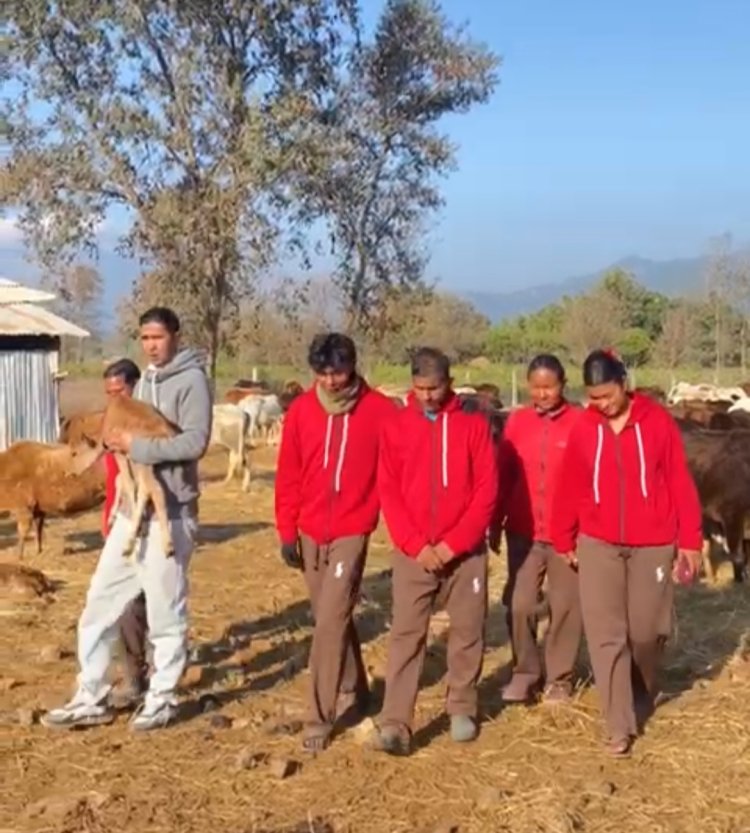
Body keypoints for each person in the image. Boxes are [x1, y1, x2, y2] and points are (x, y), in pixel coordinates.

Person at [42, 307, 213, 732]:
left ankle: (162, 698)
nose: (151, 345)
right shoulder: (145, 380)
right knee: (99, 602)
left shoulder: (192, 380)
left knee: (165, 611)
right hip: (131, 514)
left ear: (175, 335)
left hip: (171, 512)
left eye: (158, 337)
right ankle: (91, 694)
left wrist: (138, 447)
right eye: (145, 338)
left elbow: (195, 442)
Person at [550, 349, 702, 757]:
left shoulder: (657, 422)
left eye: (607, 395)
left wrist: (690, 540)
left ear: (624, 383)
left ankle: (642, 691)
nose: (601, 403)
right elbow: (570, 483)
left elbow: (679, 480)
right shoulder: (585, 427)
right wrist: (563, 537)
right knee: (606, 635)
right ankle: (618, 724)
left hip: (653, 542)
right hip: (598, 542)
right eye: (593, 397)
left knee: (646, 632)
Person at [373, 348, 498, 756]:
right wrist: (414, 544)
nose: (427, 395)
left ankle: (461, 706)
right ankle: (396, 721)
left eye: (434, 388)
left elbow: (486, 490)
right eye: (420, 388)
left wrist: (453, 544)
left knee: (468, 629)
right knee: (407, 634)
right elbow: (388, 489)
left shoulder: (473, 426)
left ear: (449, 383)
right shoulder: (396, 426)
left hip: (465, 552)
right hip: (415, 554)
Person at [275, 333, 396, 752]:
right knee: (331, 615)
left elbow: (396, 465)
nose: (330, 381)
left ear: (353, 366)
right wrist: (287, 529)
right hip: (309, 529)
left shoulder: (379, 410)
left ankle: (318, 716)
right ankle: (355, 688)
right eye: (322, 372)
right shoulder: (302, 411)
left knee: (329, 619)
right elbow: (289, 472)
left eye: (338, 372)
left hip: (352, 529)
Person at [493, 354, 583, 705]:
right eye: (536, 387)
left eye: (550, 387)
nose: (542, 394)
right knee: (520, 604)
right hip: (523, 530)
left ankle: (559, 678)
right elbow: (503, 474)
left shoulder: (581, 423)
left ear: (563, 385)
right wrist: (495, 520)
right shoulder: (518, 422)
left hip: (567, 535)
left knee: (565, 606)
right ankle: (525, 672)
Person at [101, 358, 150, 709]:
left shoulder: (148, 426)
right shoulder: (112, 429)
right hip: (122, 521)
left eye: (120, 391)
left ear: (135, 387)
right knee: (126, 605)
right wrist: (109, 521)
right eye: (109, 393)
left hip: (151, 522)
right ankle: (135, 676)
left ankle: (159, 676)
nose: (114, 399)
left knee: (155, 601)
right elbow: (112, 481)